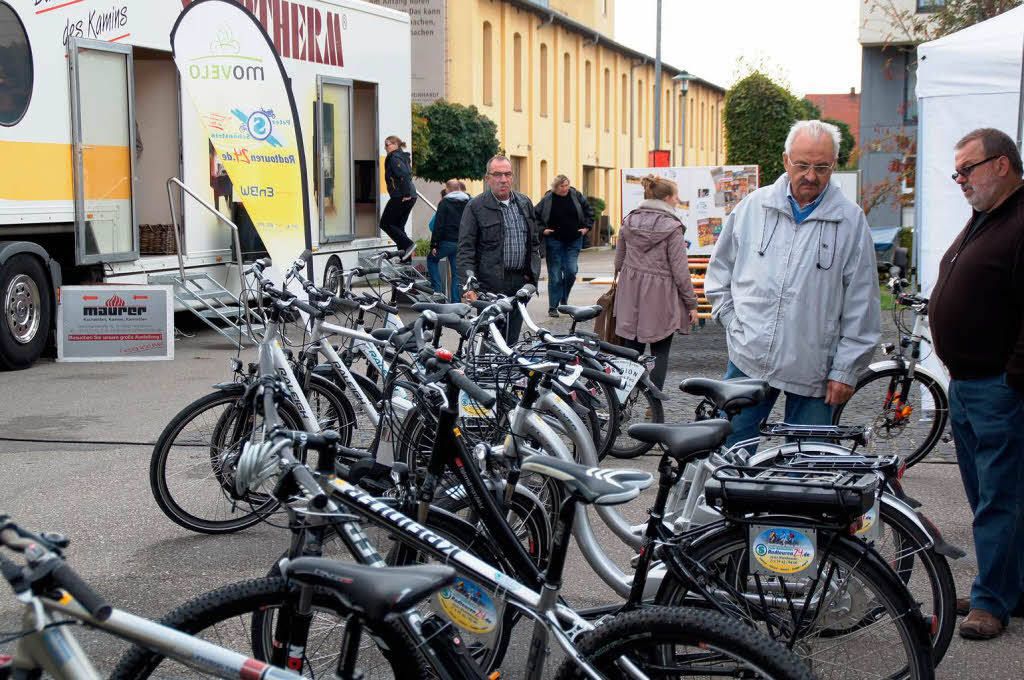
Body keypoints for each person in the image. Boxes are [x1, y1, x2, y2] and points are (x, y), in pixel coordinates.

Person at [704, 120, 880, 448]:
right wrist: (734, 324)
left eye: (821, 167)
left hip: (815, 366)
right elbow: (719, 275)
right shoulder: (753, 207)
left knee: (807, 469)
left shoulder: (850, 220)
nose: (810, 176)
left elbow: (862, 301)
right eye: (801, 165)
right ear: (786, 160)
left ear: (835, 165)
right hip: (749, 359)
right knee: (730, 458)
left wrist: (846, 370)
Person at [928, 127, 1024, 641]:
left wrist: (1013, 378)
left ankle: (991, 601)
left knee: (998, 499)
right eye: (957, 170)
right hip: (968, 384)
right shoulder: (987, 218)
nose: (960, 178)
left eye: (968, 168)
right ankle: (1007, 584)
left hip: (997, 388)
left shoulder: (1019, 220)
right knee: (988, 494)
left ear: (1002, 164)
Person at [613, 174, 698, 390]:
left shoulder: (628, 220)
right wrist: (691, 303)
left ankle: (622, 401)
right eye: (676, 196)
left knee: (630, 350)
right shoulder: (672, 227)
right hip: (660, 296)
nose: (678, 200)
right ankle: (655, 405)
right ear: (667, 198)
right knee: (659, 352)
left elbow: (618, 262)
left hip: (630, 291)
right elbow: (680, 271)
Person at [458, 155, 541, 342]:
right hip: (490, 286)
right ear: (488, 178)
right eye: (497, 174)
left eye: (507, 174)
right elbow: (465, 249)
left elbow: (534, 241)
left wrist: (532, 273)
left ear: (512, 177)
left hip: (520, 282)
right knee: (491, 340)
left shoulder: (524, 203)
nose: (503, 179)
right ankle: (487, 371)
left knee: (511, 340)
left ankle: (508, 371)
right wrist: (468, 285)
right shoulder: (475, 207)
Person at [534, 175, 594, 316]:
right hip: (554, 241)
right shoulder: (548, 199)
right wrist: (543, 230)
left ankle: (563, 298)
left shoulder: (575, 195)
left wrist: (586, 228)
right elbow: (534, 216)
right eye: (562, 186)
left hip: (574, 240)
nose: (565, 188)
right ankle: (553, 307)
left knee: (571, 271)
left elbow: (589, 211)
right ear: (555, 187)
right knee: (555, 276)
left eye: (567, 185)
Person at [427, 179, 470, 302]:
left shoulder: (444, 203)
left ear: (448, 189)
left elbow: (438, 225)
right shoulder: (468, 202)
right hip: (460, 243)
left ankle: (437, 290)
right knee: (456, 274)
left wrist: (434, 244)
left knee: (431, 259)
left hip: (446, 242)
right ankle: (455, 302)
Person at [380, 135, 416, 261]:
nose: (385, 148)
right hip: (409, 195)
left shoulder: (394, 157)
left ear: (395, 144)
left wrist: (406, 194)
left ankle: (409, 244)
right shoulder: (402, 156)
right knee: (398, 226)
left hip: (401, 195)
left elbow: (404, 175)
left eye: (387, 144)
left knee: (385, 223)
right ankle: (405, 259)